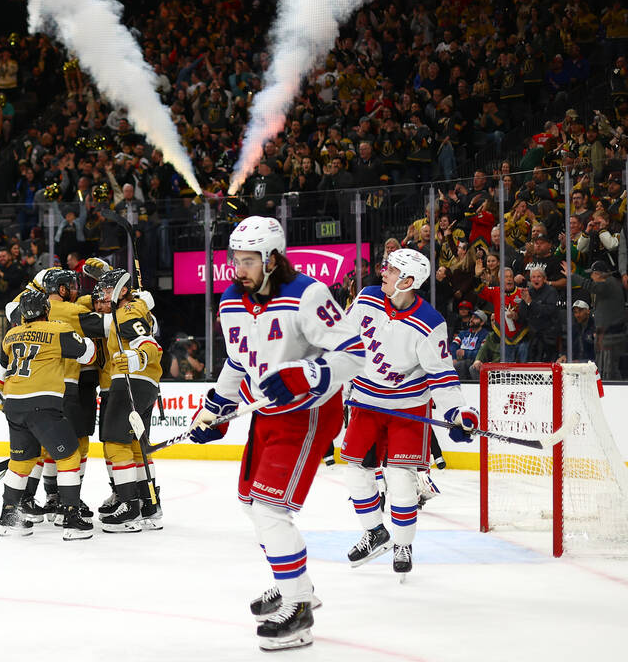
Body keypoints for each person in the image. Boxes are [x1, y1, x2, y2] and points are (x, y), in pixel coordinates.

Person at [189, 216, 366, 652]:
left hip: (308, 413)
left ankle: (299, 607)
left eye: (248, 260)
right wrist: (215, 410)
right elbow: (237, 361)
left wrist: (305, 374)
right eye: (236, 259)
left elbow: (353, 353)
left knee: (270, 507)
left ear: (271, 259)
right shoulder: (231, 300)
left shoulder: (308, 294)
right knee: (252, 504)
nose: (238, 268)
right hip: (266, 413)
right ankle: (294, 583)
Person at [338, 249, 476, 580]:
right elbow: (343, 340)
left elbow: (441, 374)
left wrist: (457, 411)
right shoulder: (368, 298)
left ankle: (402, 545)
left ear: (408, 281)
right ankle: (375, 533)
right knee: (356, 471)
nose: (382, 273)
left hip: (407, 408)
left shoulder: (430, 323)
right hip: (366, 402)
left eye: (391, 269)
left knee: (400, 480)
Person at [0, 288, 97, 540]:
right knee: (70, 456)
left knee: (21, 461)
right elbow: (88, 355)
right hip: (43, 404)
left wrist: (6, 396)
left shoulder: (11, 335)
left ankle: (9, 517)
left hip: (14, 405)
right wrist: (88, 341)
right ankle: (71, 518)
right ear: (45, 311)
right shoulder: (57, 330)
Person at [93, 269, 165, 532]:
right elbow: (151, 330)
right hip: (146, 384)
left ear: (123, 291)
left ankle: (129, 507)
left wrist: (139, 358)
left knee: (115, 443)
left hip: (129, 382)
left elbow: (146, 341)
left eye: (108, 290)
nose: (103, 296)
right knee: (137, 447)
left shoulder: (126, 311)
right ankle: (150, 505)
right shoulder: (135, 308)